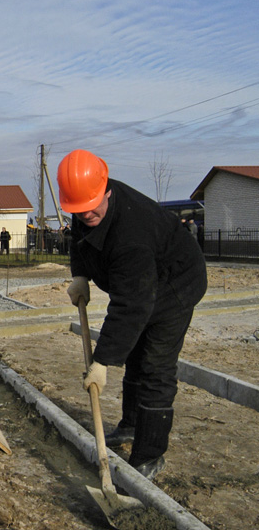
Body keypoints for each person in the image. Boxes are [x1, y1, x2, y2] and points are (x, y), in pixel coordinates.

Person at [57, 149, 207, 480]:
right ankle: (130, 426)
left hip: (176, 283)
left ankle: (150, 456)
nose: (86, 215)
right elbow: (79, 238)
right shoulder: (87, 203)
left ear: (106, 190)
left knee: (155, 366)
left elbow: (131, 305)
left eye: (91, 207)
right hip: (143, 283)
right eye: (78, 211)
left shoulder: (131, 235)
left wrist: (102, 361)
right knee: (136, 355)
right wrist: (80, 274)